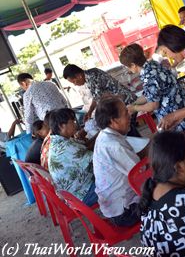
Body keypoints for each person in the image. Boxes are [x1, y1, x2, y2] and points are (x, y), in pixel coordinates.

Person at [119, 43, 185, 150]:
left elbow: (153, 105)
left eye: (127, 66)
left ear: (133, 65)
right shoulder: (152, 65)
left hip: (176, 116)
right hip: (180, 108)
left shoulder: (149, 74)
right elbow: (149, 95)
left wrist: (134, 108)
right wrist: (134, 103)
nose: (127, 69)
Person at [93, 96, 142, 226]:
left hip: (114, 208)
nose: (129, 115)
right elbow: (142, 173)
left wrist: (155, 142)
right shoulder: (114, 145)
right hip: (125, 213)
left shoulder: (105, 135)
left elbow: (137, 161)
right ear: (113, 121)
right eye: (125, 113)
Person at [62, 64, 141, 137]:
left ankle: (141, 148)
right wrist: (90, 111)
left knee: (125, 127)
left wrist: (95, 119)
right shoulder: (89, 76)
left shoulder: (92, 76)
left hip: (125, 101)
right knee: (125, 129)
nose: (75, 84)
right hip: (119, 103)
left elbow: (100, 100)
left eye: (74, 81)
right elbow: (96, 97)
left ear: (79, 76)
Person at [48, 108, 98, 206]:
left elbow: (85, 146)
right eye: (72, 122)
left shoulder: (60, 141)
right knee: (116, 175)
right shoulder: (65, 147)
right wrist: (105, 132)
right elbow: (98, 158)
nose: (75, 124)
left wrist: (101, 133)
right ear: (61, 126)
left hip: (76, 192)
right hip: (82, 196)